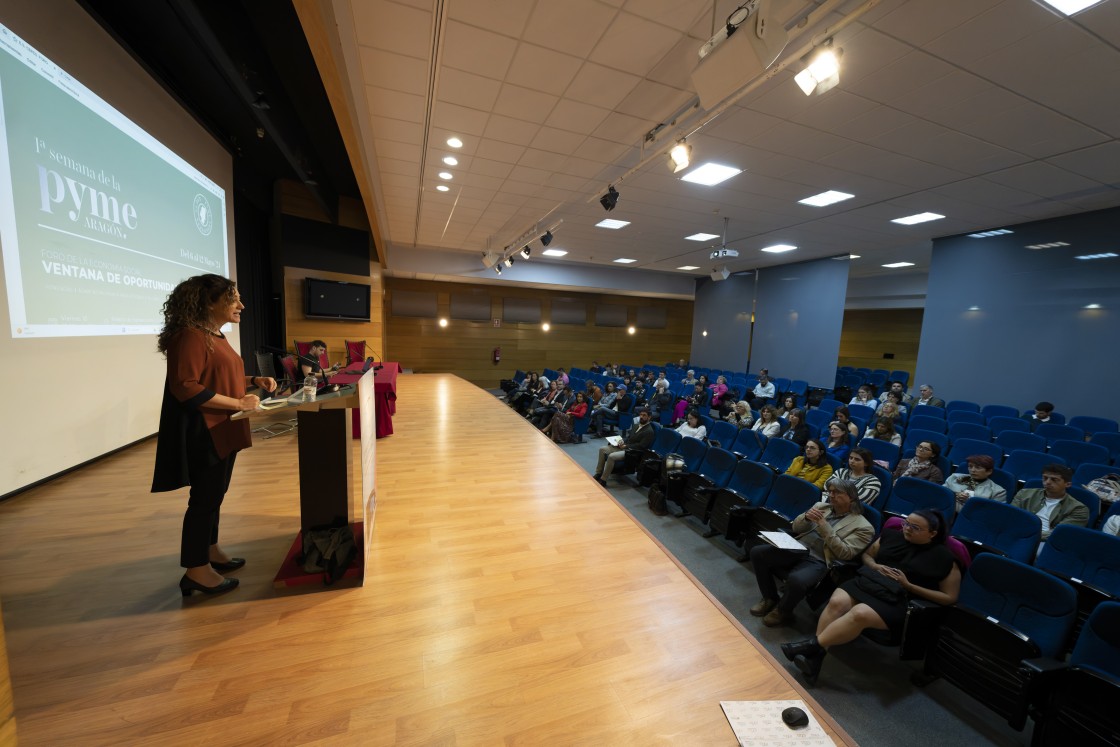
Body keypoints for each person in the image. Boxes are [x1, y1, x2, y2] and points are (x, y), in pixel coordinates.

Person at [152, 274, 277, 597]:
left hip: (225, 426)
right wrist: (238, 402)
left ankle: (210, 551)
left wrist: (253, 379)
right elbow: (186, 386)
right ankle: (195, 570)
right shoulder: (190, 336)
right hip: (205, 430)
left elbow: (218, 374)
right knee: (204, 499)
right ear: (210, 302)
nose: (241, 305)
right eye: (233, 299)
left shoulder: (213, 335)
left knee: (215, 494)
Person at [782, 509, 960, 684]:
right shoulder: (892, 535)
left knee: (859, 613)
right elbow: (867, 555)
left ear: (932, 533)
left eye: (915, 527)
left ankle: (811, 647)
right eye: (906, 523)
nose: (906, 529)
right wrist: (875, 566)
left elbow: (949, 597)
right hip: (869, 582)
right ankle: (816, 656)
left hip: (900, 598)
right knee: (836, 602)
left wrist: (909, 585)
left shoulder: (945, 558)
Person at [750, 480, 875, 627]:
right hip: (797, 547)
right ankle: (770, 598)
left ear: (852, 497)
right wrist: (806, 518)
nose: (831, 495)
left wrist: (824, 526)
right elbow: (796, 527)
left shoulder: (864, 527)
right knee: (757, 552)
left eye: (837, 492)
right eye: (830, 491)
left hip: (820, 558)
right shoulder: (821, 506)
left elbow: (845, 553)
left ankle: (783, 611)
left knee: (797, 580)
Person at [1011, 464, 1089, 544]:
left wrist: (1027, 535)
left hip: (1046, 541)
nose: (1047, 482)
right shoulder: (1024, 494)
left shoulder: (1078, 509)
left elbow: (1060, 533)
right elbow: (1012, 516)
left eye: (1054, 479)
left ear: (1067, 484)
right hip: (1016, 532)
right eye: (1045, 478)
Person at [593, 408, 656, 485]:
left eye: (644, 415)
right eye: (640, 415)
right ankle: (599, 473)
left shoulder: (649, 431)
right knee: (602, 449)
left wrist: (626, 446)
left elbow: (641, 446)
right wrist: (622, 441)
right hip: (624, 447)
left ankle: (603, 479)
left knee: (611, 456)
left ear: (649, 417)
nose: (641, 417)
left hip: (632, 452)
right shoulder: (636, 426)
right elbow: (629, 437)